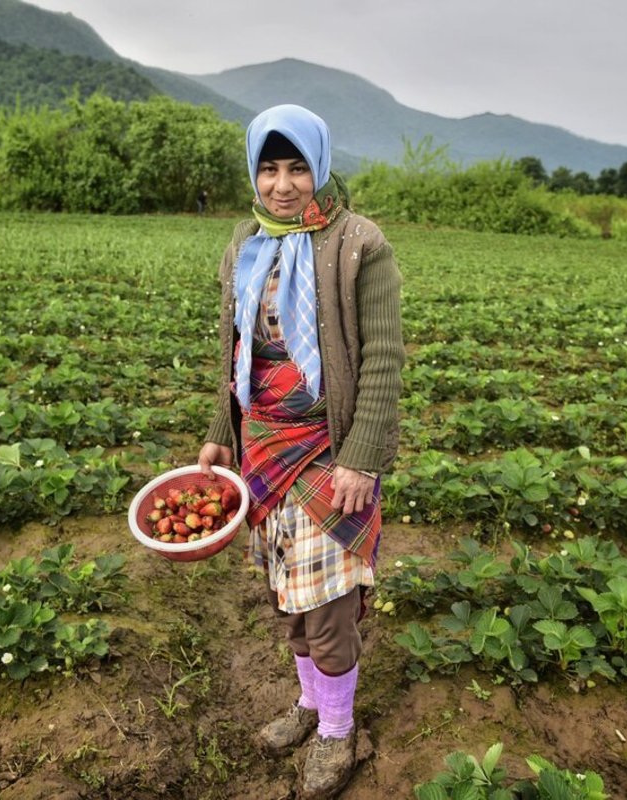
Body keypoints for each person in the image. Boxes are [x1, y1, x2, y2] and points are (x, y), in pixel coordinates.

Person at [197, 104, 404, 799]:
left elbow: (382, 359)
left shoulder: (357, 244)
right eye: (268, 167)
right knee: (289, 598)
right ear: (253, 174)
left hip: (329, 450)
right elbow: (235, 354)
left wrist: (362, 456)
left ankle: (340, 732)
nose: (282, 185)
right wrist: (222, 436)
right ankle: (311, 706)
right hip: (264, 454)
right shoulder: (244, 245)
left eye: (296, 168)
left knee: (329, 606)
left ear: (319, 167)